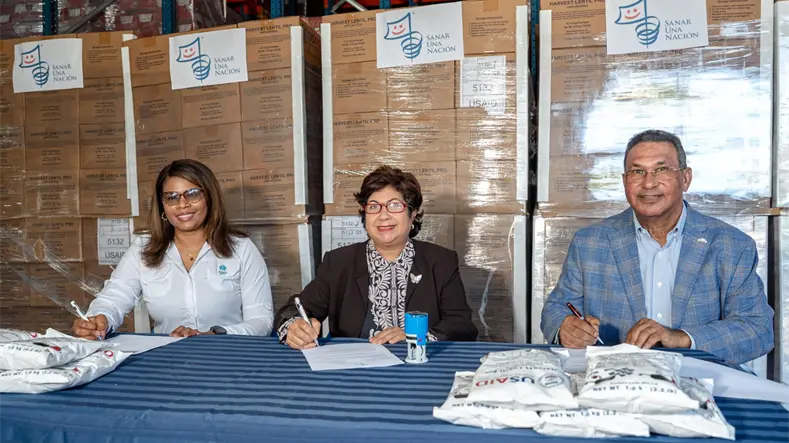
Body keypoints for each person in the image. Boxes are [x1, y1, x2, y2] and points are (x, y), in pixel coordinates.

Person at [540, 129, 774, 366]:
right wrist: (564, 328)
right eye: (637, 171)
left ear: (685, 178)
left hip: (703, 377)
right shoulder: (589, 242)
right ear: (625, 181)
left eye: (661, 170)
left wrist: (681, 338)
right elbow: (557, 308)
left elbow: (758, 329)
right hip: (615, 377)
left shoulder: (731, 245)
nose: (648, 183)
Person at [275, 165, 478, 349]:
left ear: (413, 213)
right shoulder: (338, 262)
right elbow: (293, 309)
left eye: (394, 205)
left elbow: (462, 325)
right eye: (373, 206)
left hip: (419, 365)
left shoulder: (440, 261)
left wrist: (416, 336)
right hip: (354, 366)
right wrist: (295, 327)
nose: (383, 216)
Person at [72, 159, 274, 339]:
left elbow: (261, 321)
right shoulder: (144, 249)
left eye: (192, 194)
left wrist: (214, 334)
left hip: (228, 355)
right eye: (172, 197)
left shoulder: (241, 249)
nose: (182, 204)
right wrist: (100, 319)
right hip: (167, 358)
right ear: (163, 205)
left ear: (210, 198)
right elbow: (114, 297)